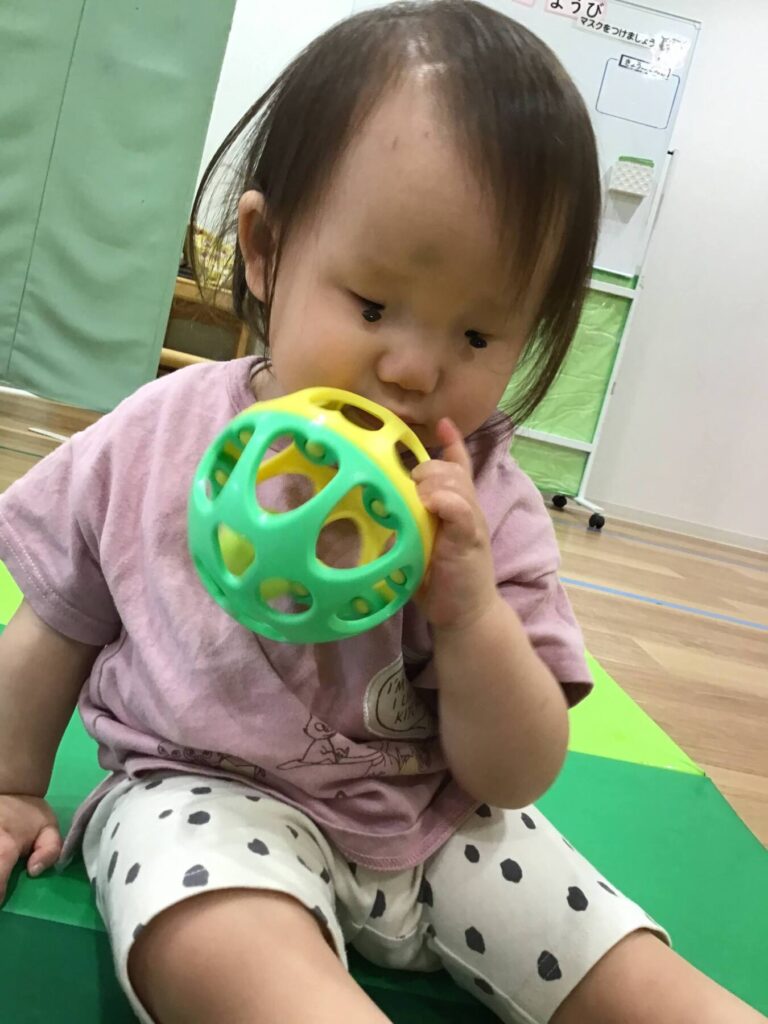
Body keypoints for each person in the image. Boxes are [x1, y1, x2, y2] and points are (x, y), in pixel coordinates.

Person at [0, 3, 762, 1022]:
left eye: (478, 334)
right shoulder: (153, 438)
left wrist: (472, 613)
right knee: (223, 943)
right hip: (201, 795)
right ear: (265, 250)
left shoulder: (488, 498)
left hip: (437, 825)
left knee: (627, 968)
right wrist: (11, 783)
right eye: (371, 305)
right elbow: (55, 614)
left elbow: (516, 772)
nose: (413, 368)